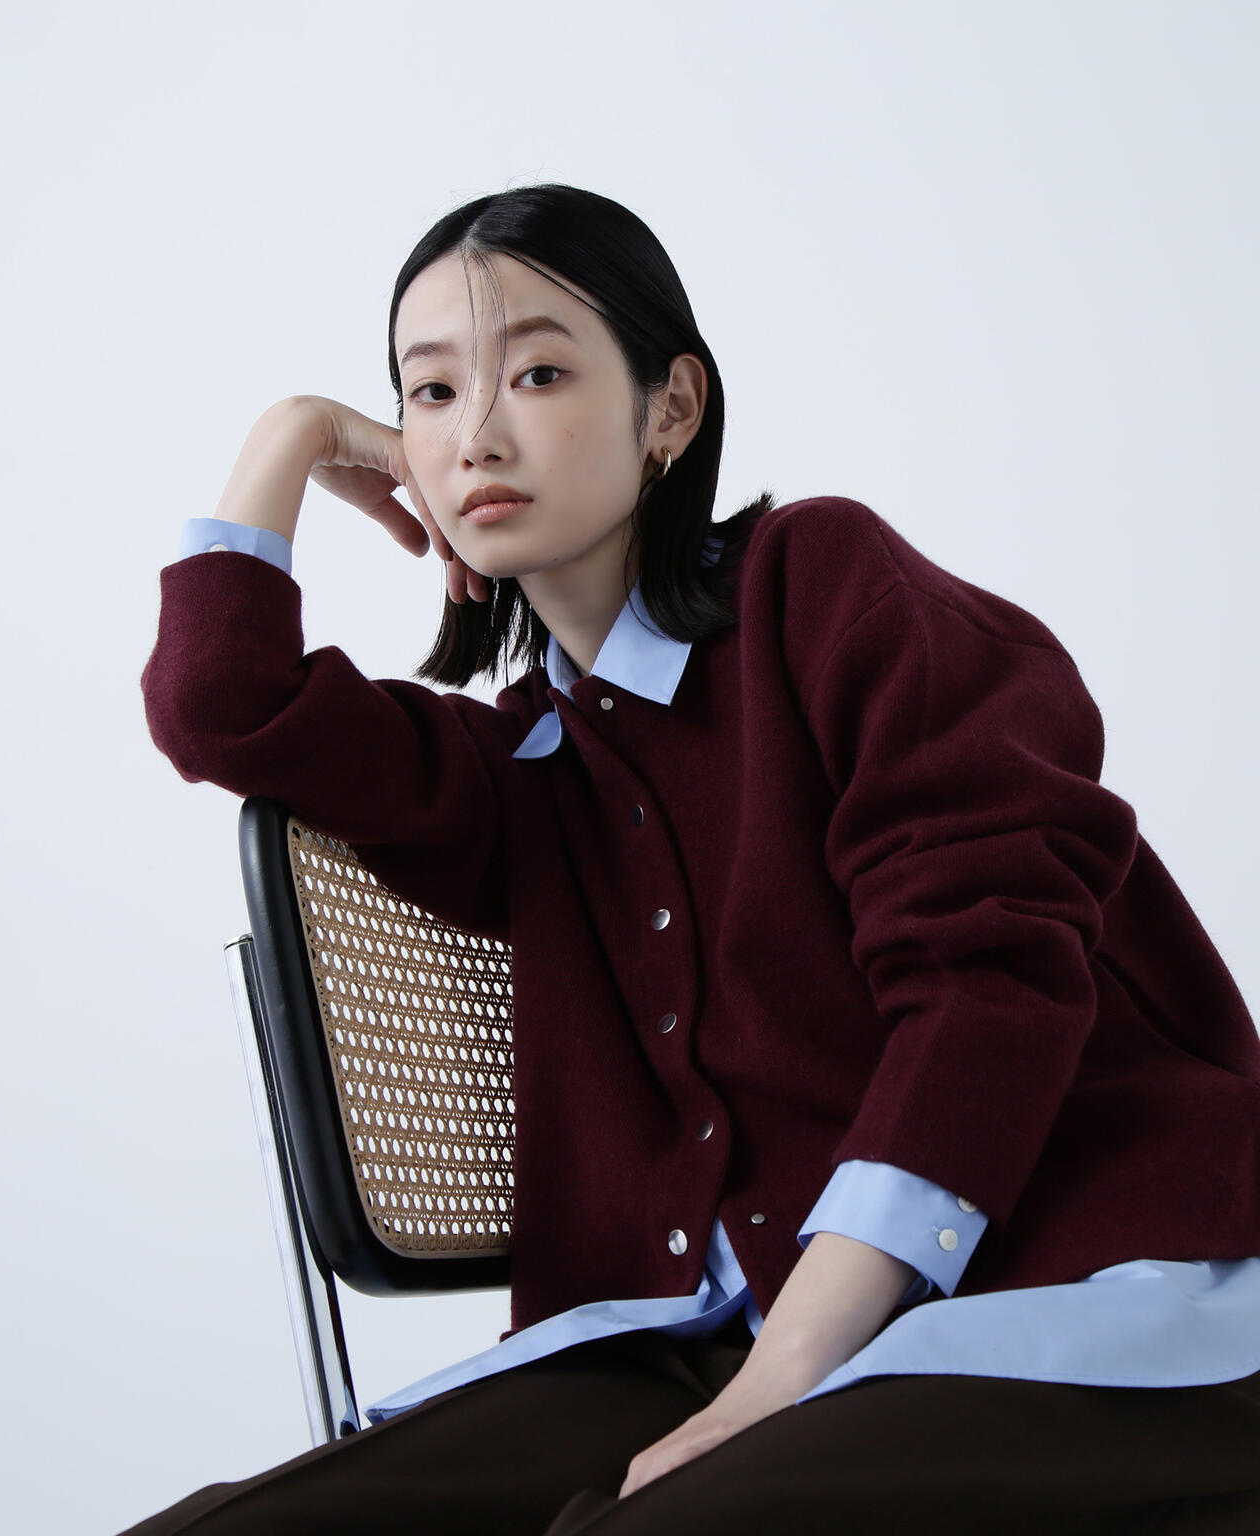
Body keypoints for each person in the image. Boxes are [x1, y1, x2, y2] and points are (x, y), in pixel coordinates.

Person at [129, 182, 1260, 1535]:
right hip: (694, 1331)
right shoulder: (523, 765)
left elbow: (990, 986)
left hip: (1089, 1278)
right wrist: (295, 436)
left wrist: (776, 1384)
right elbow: (222, 706)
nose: (474, 436)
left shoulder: (822, 585)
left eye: (538, 373)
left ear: (669, 410)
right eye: (429, 394)